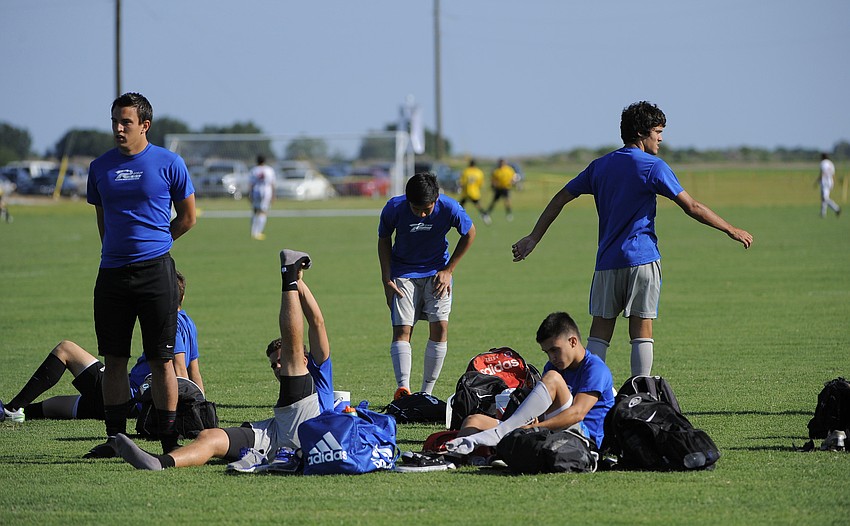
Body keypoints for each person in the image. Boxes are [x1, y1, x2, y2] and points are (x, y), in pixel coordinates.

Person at [512, 101, 753, 377]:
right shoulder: (654, 167)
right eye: (658, 131)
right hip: (642, 259)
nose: (661, 138)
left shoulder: (599, 166)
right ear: (642, 133)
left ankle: (592, 394)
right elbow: (692, 207)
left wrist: (534, 237)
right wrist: (731, 229)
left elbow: (561, 198)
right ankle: (643, 394)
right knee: (641, 330)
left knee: (599, 334)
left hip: (607, 262)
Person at [114, 249, 333, 472]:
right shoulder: (289, 397)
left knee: (292, 358)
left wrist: (293, 280)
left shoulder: (319, 370)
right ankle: (161, 463)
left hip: (312, 429)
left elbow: (317, 322)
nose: (278, 368)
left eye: (279, 361)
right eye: (274, 365)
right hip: (277, 432)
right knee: (210, 436)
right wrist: (297, 279)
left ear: (307, 359)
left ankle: (286, 274)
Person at [85, 92, 197, 458]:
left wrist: (156, 244)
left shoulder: (169, 163)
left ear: (144, 125)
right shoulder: (99, 167)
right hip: (112, 274)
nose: (118, 128)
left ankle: (168, 440)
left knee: (161, 359)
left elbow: (187, 217)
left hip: (156, 273)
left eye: (126, 122)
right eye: (115, 121)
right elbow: (103, 223)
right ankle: (115, 440)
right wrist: (118, 253)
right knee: (114, 359)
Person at [3, 272, 204, 422]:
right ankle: (17, 413)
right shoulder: (188, 323)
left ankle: (11, 409)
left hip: (130, 397)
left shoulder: (171, 325)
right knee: (57, 406)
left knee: (66, 349)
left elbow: (178, 372)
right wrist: (201, 410)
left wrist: (177, 413)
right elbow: (194, 373)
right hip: (132, 400)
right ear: (182, 298)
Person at [446, 311, 614, 454]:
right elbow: (544, 411)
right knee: (473, 420)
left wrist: (537, 427)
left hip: (582, 441)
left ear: (573, 341)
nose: (551, 357)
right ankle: (458, 457)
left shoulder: (595, 369)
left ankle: (501, 437)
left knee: (553, 378)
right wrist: (534, 422)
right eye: (547, 352)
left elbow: (577, 413)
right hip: (549, 430)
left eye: (555, 350)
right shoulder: (553, 365)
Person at [378, 172, 476, 399]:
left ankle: (426, 393)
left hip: (437, 274)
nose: (421, 214)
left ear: (436, 200)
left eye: (427, 209)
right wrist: (387, 277)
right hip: (403, 273)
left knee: (440, 328)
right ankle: (403, 390)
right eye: (416, 209)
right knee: (403, 329)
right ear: (407, 200)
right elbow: (383, 239)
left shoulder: (450, 208)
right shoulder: (393, 208)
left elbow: (470, 233)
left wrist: (448, 270)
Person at [249, 155, 276, 239]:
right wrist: (274, 195)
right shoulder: (269, 170)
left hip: (256, 191)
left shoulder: (254, 170)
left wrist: (249, 194)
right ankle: (259, 232)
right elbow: (272, 183)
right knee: (263, 212)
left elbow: (251, 184)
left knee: (255, 211)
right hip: (266, 191)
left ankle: (253, 232)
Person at [458, 159, 491, 224]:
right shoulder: (479, 172)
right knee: (478, 205)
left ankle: (456, 218)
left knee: (460, 207)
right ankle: (485, 216)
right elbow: (480, 183)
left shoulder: (466, 171)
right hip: (474, 192)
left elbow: (462, 182)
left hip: (466, 192)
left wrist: (460, 188)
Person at [816, 153, 841, 218]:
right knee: (823, 198)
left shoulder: (823, 163)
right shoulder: (831, 163)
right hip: (830, 181)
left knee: (825, 198)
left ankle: (836, 208)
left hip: (825, 182)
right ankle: (823, 213)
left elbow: (822, 172)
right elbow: (833, 173)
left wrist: (818, 180)